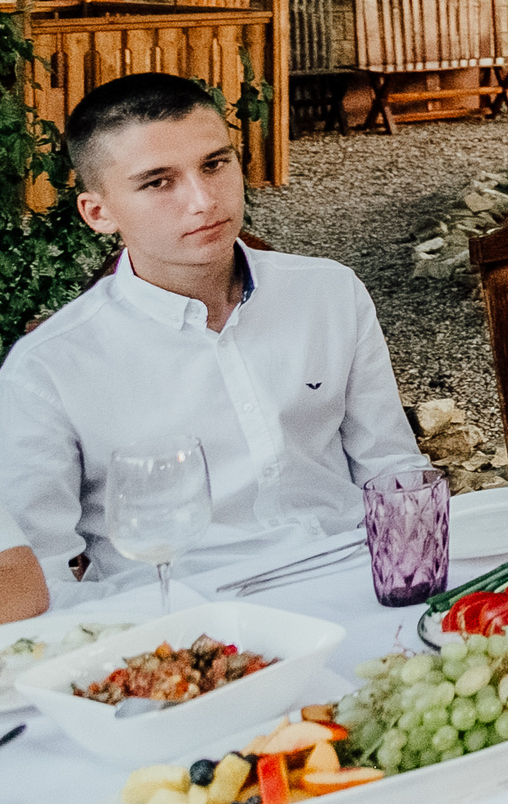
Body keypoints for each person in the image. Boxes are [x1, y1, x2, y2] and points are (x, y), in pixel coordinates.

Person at [0, 75, 427, 598]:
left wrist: (418, 583)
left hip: (358, 576)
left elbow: (391, 467)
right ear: (99, 213)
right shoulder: (49, 367)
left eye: (214, 164)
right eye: (158, 182)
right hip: (181, 611)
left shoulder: (327, 291)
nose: (203, 200)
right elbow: (40, 572)